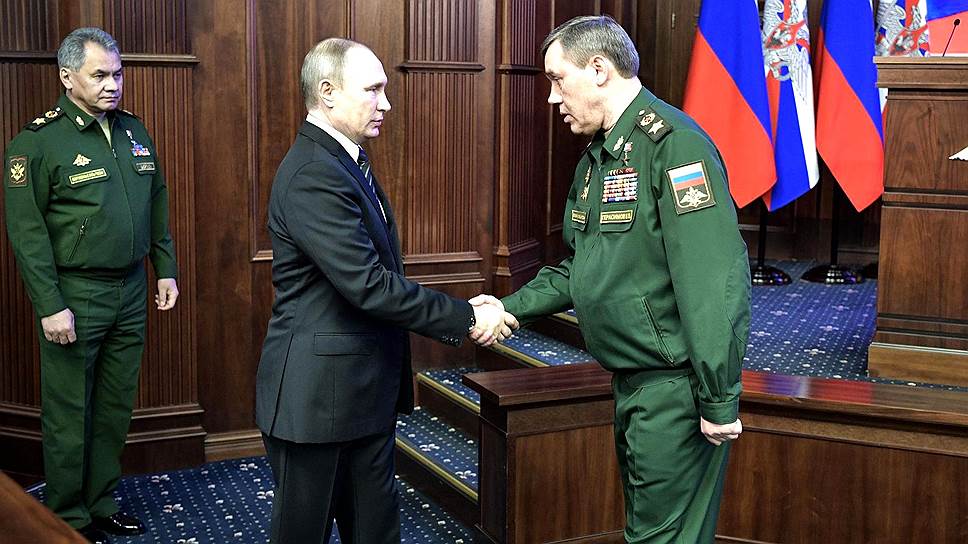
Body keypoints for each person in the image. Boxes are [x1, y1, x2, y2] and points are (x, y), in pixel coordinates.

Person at [477, 16, 750, 544]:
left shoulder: (675, 146)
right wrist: (509, 308)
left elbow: (712, 281)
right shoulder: (600, 157)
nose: (553, 97)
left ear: (599, 69)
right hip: (632, 382)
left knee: (662, 538)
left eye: (558, 79)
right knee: (650, 531)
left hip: (674, 388)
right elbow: (583, 266)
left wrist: (718, 396)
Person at [255, 38, 515, 544]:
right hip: (316, 400)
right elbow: (369, 285)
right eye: (373, 90)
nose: (386, 104)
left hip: (359, 392)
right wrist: (466, 316)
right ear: (327, 93)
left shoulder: (343, 160)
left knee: (376, 530)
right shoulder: (313, 172)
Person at [3, 27, 179, 544]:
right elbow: (27, 234)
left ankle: (101, 504)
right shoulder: (37, 143)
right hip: (75, 294)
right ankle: (68, 518)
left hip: (131, 290)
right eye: (99, 75)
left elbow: (157, 203)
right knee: (69, 413)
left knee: (113, 407)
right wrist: (49, 305)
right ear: (66, 77)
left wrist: (165, 268)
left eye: (117, 74)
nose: (112, 85)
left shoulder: (133, 131)